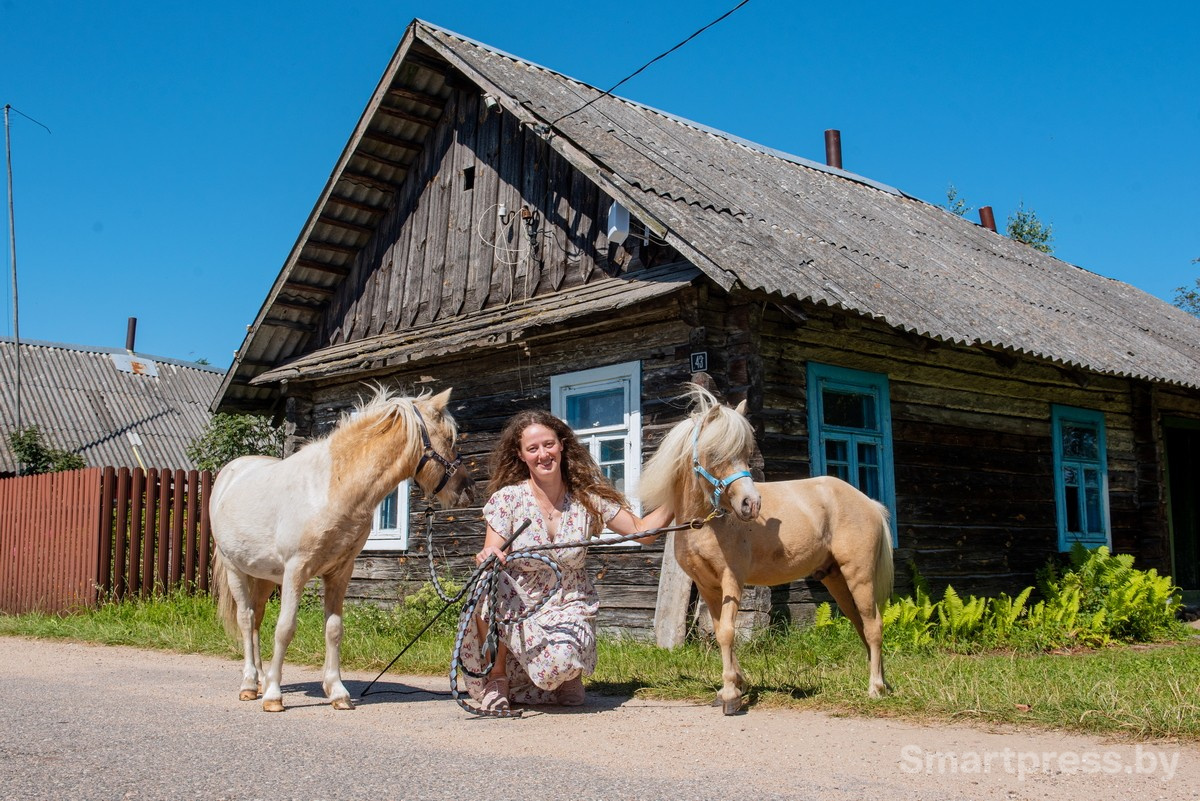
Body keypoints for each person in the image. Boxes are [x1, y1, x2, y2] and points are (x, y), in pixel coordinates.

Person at [460, 409, 673, 712]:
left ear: (561, 445)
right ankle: (498, 678)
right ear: (521, 455)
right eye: (532, 448)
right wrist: (489, 554)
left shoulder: (586, 498)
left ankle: (566, 674)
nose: (543, 454)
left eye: (548, 444)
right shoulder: (507, 499)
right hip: (520, 605)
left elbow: (642, 533)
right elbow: (492, 549)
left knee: (556, 668)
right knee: (489, 580)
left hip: (568, 603)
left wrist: (678, 497)